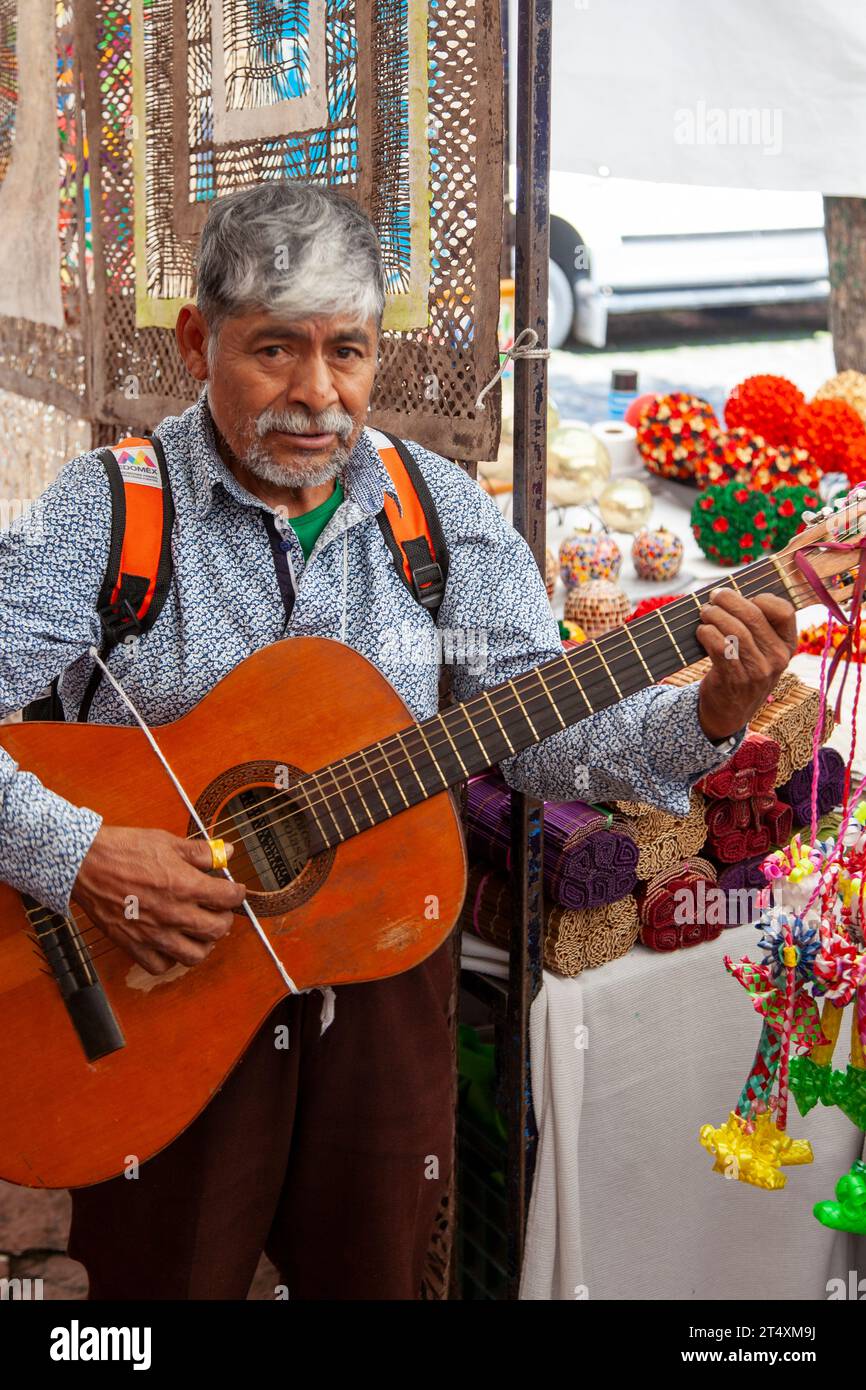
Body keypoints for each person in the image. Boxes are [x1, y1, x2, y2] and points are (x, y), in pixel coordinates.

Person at [0, 181, 798, 1299]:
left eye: (349, 352)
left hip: (375, 961)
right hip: (148, 975)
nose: (317, 396)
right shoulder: (107, 511)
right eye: (273, 350)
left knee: (377, 1274)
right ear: (197, 341)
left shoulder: (443, 517)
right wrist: (78, 849)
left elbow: (536, 734)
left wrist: (707, 717)